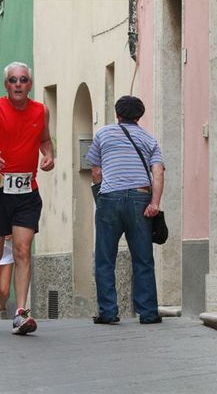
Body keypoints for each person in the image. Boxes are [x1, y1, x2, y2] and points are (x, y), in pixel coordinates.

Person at [0, 61, 54, 335]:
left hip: (27, 191)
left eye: (23, 80)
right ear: (6, 85)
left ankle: (22, 313)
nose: (18, 85)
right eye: (13, 80)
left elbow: (45, 140)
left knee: (22, 251)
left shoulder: (41, 110)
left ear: (30, 84)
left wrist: (49, 155)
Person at [86, 95, 164, 325]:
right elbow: (158, 172)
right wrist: (155, 204)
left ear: (117, 114)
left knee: (104, 258)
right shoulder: (149, 139)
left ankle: (108, 312)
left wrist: (102, 196)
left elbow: (96, 171)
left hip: (110, 198)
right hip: (141, 198)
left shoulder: (102, 134)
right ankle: (148, 312)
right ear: (139, 116)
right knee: (143, 258)